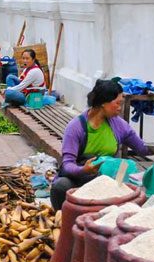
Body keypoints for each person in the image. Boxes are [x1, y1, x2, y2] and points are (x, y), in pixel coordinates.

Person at [50, 79, 148, 210]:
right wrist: (83, 170)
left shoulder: (119, 125)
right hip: (80, 180)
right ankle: (64, 218)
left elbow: (143, 148)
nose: (120, 108)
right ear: (103, 103)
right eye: (117, 103)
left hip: (106, 181)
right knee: (60, 186)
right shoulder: (76, 127)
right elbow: (67, 165)